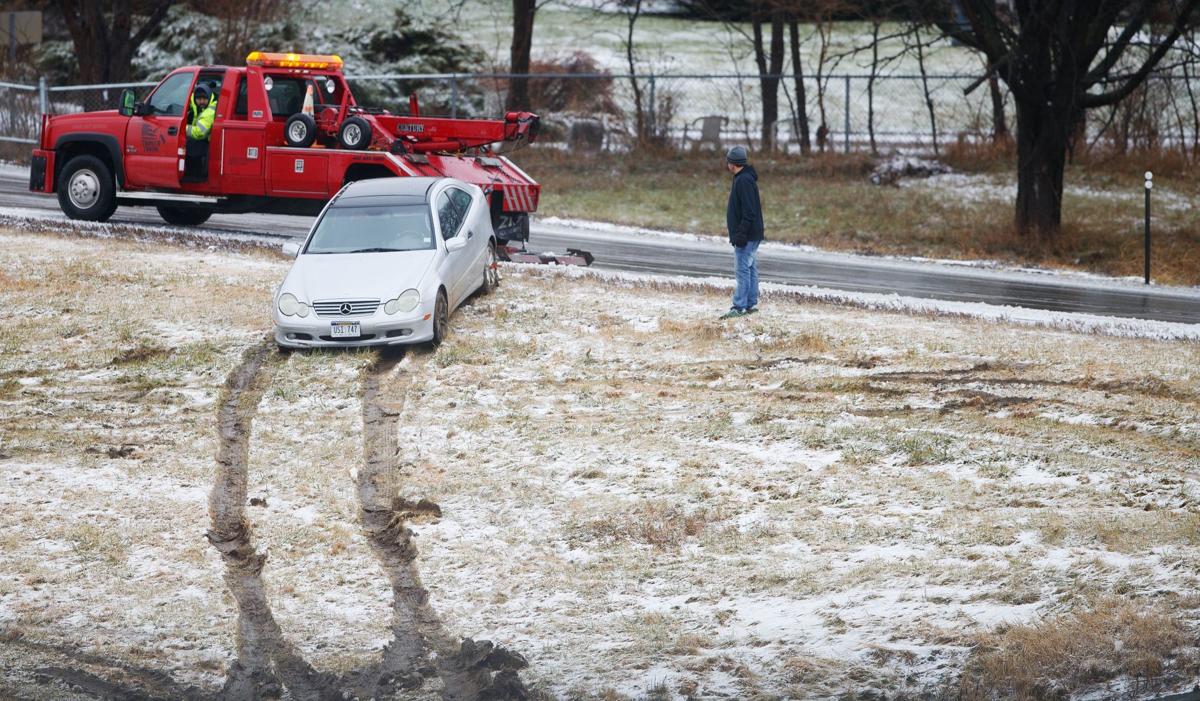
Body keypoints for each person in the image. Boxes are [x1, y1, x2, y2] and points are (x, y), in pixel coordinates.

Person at [721, 145, 764, 319]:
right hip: (752, 233)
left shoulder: (743, 181)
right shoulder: (743, 177)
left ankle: (739, 307)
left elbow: (749, 211)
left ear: (733, 163)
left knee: (743, 270)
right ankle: (750, 303)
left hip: (747, 235)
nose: (727, 164)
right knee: (750, 268)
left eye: (728, 161)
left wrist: (741, 233)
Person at [183, 85, 217, 182]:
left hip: (207, 142)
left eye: (204, 98)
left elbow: (199, 132)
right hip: (203, 142)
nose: (201, 101)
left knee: (190, 145)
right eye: (199, 98)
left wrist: (182, 128)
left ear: (209, 98)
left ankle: (195, 176)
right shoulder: (195, 104)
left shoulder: (210, 111)